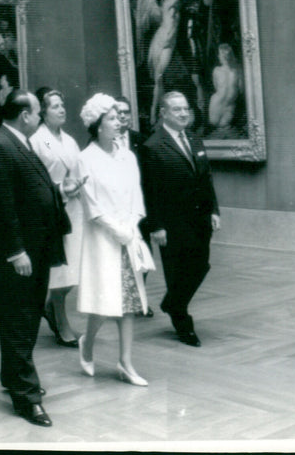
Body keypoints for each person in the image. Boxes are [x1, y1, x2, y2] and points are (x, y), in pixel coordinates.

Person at [0, 89, 78, 427]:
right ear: (25, 115)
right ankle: (27, 397)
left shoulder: (20, 142)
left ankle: (13, 377)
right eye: (37, 112)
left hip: (36, 250)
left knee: (25, 318)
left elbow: (34, 188)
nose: (39, 118)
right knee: (18, 322)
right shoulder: (0, 146)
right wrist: (16, 251)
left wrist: (60, 192)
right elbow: (2, 204)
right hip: (16, 256)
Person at [76, 93, 154, 387]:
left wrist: (132, 224)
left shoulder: (128, 156)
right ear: (98, 126)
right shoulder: (85, 159)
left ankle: (125, 362)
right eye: (111, 118)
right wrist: (115, 229)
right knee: (105, 302)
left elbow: (136, 195)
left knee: (129, 301)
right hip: (103, 239)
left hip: (128, 236)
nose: (119, 122)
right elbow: (92, 206)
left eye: (119, 118)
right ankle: (87, 342)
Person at [142, 91, 220, 347]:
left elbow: (206, 179)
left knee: (201, 265)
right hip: (172, 223)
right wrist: (155, 226)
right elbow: (149, 190)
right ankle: (182, 322)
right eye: (177, 110)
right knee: (177, 272)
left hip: (200, 219)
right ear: (163, 113)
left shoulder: (195, 140)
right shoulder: (153, 146)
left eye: (186, 108)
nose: (184, 113)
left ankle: (171, 302)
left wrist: (214, 211)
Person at [30, 87, 84, 347]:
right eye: (54, 106)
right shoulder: (40, 140)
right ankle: (61, 323)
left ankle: (51, 307)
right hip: (51, 210)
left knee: (74, 270)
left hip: (74, 210)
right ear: (42, 111)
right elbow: (36, 181)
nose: (62, 109)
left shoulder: (69, 139)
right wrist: (62, 189)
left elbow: (76, 169)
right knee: (61, 272)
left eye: (62, 104)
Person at [114, 96, 153, 318]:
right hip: (116, 209)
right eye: (118, 112)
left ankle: (139, 297)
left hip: (139, 208)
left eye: (126, 112)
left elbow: (148, 178)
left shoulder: (141, 141)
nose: (122, 116)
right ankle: (119, 300)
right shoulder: (98, 140)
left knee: (143, 255)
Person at [208, 43, 244, 136]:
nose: (223, 57)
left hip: (229, 105)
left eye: (225, 55)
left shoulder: (238, 70)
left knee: (224, 125)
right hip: (216, 102)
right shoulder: (217, 70)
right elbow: (217, 87)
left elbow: (241, 90)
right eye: (222, 55)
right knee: (214, 123)